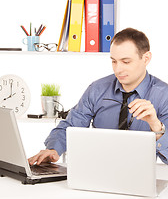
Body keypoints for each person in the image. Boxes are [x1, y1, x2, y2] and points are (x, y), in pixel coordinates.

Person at [28, 28, 168, 165]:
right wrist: (53, 149)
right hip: (97, 170)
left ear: (146, 58)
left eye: (126, 62)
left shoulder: (164, 95)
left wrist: (156, 127)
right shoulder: (98, 89)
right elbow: (71, 125)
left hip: (141, 175)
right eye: (114, 61)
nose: (118, 69)